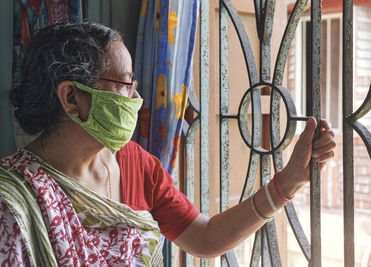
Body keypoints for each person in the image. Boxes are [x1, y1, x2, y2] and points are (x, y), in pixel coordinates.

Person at [0, 21, 335, 266]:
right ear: (71, 97)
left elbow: (205, 237)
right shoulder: (12, 202)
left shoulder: (136, 164)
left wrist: (289, 181)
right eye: (125, 85)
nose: (137, 98)